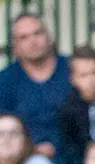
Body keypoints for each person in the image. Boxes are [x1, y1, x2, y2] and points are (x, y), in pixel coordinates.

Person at [0, 13, 70, 155]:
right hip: (23, 161)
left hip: (76, 157)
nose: (33, 41)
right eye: (24, 37)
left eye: (37, 33)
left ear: (49, 37)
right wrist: (31, 150)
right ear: (15, 45)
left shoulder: (73, 69)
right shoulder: (5, 80)